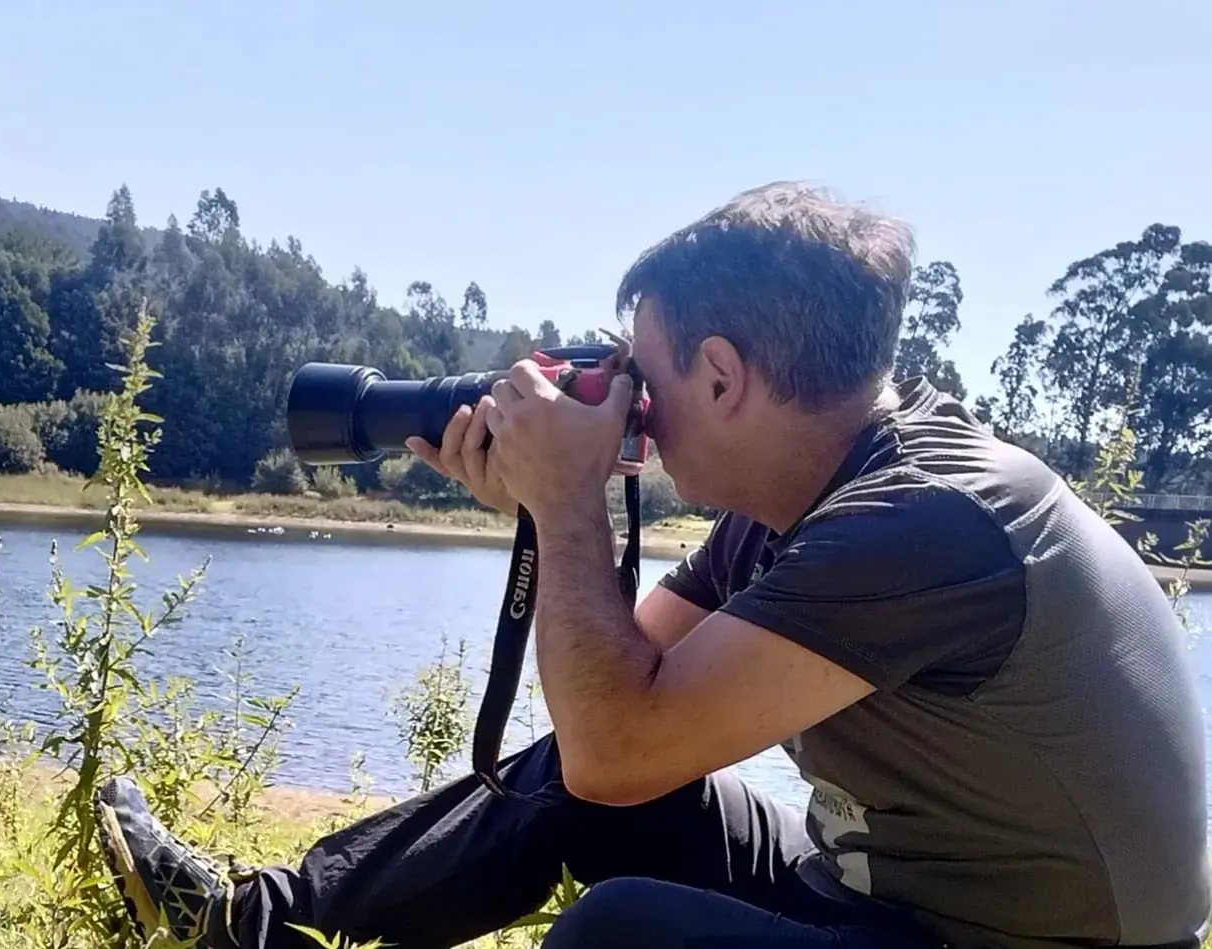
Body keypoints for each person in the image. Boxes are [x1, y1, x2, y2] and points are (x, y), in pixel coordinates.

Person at [94, 182, 1209, 949]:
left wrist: (568, 498)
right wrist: (540, 497)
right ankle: (250, 921)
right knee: (567, 776)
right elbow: (611, 710)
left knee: (622, 933)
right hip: (889, 891)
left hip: (1015, 938)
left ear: (722, 377)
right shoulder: (811, 485)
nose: (635, 401)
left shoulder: (926, 517)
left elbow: (621, 745)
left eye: (649, 371)